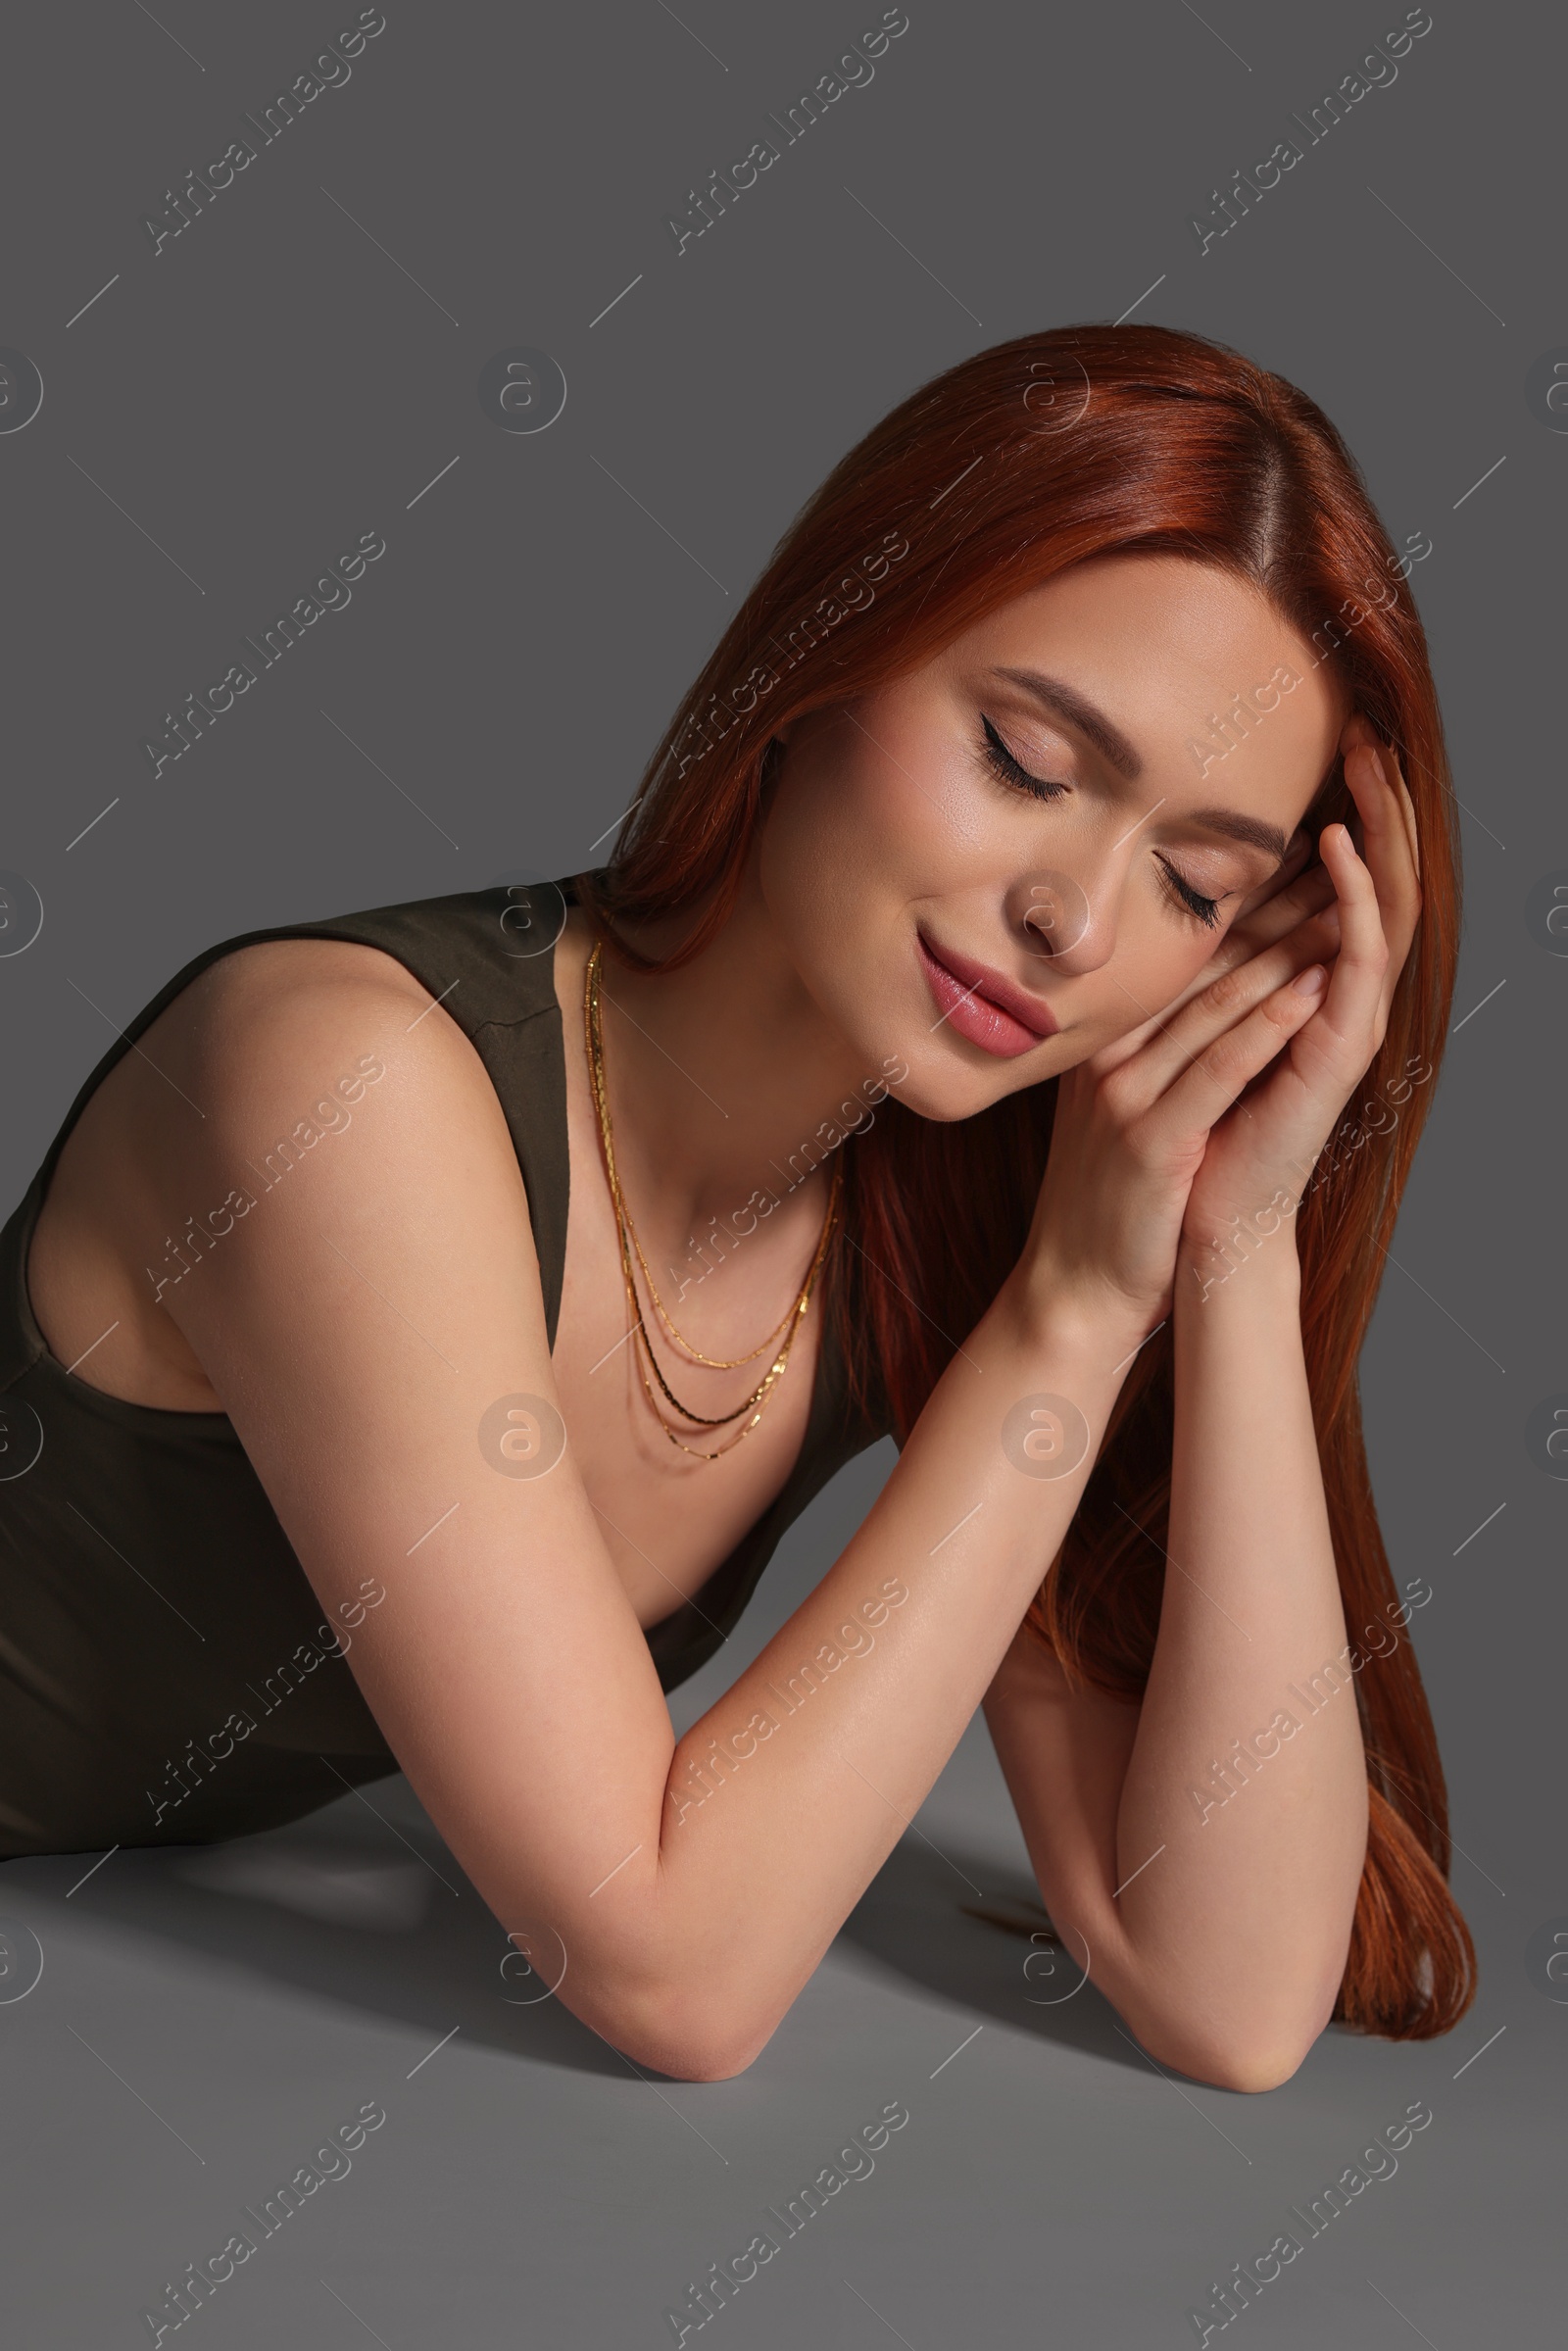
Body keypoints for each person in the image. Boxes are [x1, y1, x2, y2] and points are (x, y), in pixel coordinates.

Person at [0, 321, 1473, 2085]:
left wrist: (1228, 1237)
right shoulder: (345, 1088)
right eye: (1024, 757)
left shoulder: (970, 1217)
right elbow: (674, 1971)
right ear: (827, 653)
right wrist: (1076, 1315)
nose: (1075, 920)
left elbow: (1232, 1997)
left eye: (1193, 884)